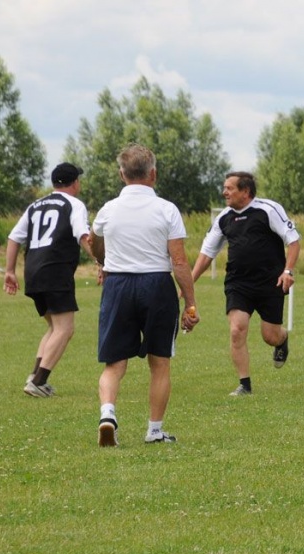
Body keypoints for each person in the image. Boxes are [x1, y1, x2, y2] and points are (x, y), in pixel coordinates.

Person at [89, 144, 200, 447]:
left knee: (114, 363)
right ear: (154, 173)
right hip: (156, 285)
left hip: (118, 285)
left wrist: (102, 261)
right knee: (160, 362)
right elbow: (178, 261)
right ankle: (154, 430)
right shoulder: (166, 209)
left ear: (121, 174)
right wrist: (190, 303)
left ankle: (108, 414)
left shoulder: (108, 209)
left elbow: (93, 243)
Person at [191, 171, 300, 396]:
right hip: (238, 283)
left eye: (229, 188)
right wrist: (188, 283)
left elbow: (293, 241)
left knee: (270, 336)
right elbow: (206, 254)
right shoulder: (223, 218)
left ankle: (282, 339)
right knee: (236, 330)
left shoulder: (268, 210)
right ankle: (245, 385)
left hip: (271, 282)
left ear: (245, 191)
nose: (224, 192)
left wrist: (287, 270)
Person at [4, 163, 94, 397]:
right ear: (74, 183)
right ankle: (37, 382)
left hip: (33, 271)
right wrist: (101, 261)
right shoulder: (74, 204)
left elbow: (14, 237)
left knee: (54, 326)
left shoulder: (35, 205)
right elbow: (84, 236)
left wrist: (10, 271)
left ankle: (35, 377)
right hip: (56, 270)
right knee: (65, 328)